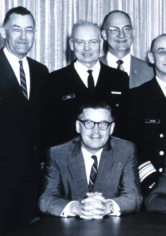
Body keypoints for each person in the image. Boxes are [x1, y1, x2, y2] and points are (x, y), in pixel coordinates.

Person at [0, 7, 50, 236]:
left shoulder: (41, 72)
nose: (23, 36)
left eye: (29, 30)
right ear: (3, 32)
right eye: (16, 29)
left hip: (30, 182)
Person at [39, 101, 142, 217]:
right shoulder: (58, 154)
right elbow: (46, 199)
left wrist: (107, 206)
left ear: (112, 128)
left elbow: (134, 196)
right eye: (89, 123)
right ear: (78, 126)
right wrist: (76, 208)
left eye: (103, 124)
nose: (96, 131)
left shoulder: (125, 150)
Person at [42, 21, 129, 152]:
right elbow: (49, 131)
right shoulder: (54, 80)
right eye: (80, 42)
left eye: (93, 42)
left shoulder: (119, 78)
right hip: (69, 161)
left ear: (101, 43)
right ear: (71, 44)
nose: (87, 48)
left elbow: (125, 126)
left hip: (110, 160)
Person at [125, 34, 166, 197]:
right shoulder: (136, 97)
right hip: (150, 182)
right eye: (162, 52)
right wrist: (152, 180)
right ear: (151, 57)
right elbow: (131, 145)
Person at [99, 10, 154, 89]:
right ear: (104, 35)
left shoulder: (149, 71)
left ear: (133, 33)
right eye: (114, 30)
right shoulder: (93, 67)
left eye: (126, 29)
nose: (121, 35)